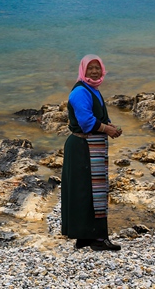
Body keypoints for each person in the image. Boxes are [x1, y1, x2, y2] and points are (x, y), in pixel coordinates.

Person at [61, 54, 123, 250]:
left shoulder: (93, 89)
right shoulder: (80, 92)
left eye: (97, 68)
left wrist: (110, 126)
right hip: (82, 148)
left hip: (91, 147)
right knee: (86, 191)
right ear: (83, 70)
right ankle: (96, 239)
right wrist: (107, 130)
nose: (95, 71)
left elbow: (97, 117)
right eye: (90, 68)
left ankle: (85, 236)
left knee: (90, 191)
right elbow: (86, 122)